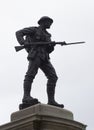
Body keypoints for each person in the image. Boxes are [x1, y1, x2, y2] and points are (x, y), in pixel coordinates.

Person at [16, 16, 65, 108]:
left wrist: (51, 46)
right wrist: (23, 42)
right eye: (49, 22)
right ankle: (26, 96)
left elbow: (49, 50)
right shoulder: (33, 30)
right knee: (30, 74)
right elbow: (19, 33)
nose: (50, 24)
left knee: (53, 77)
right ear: (43, 22)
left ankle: (51, 100)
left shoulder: (48, 35)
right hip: (35, 54)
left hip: (45, 57)